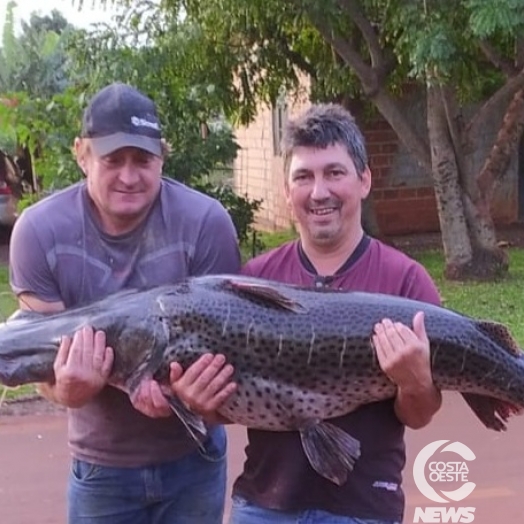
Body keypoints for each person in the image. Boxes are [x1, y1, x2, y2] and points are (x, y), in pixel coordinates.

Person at [170, 103, 443, 523]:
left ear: (364, 179)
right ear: (286, 190)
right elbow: (225, 403)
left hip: (364, 510)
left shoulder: (407, 283)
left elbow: (419, 415)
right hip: (264, 505)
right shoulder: (252, 283)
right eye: (304, 176)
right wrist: (197, 403)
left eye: (334, 173)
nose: (319, 192)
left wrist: (414, 381)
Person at [8, 82, 241, 524]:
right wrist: (67, 391)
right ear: (82, 154)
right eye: (113, 160)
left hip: (195, 459)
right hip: (101, 467)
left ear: (162, 156)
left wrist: (184, 397)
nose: (129, 177)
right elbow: (38, 355)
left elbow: (226, 346)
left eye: (143, 160)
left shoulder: (206, 223)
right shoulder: (38, 233)